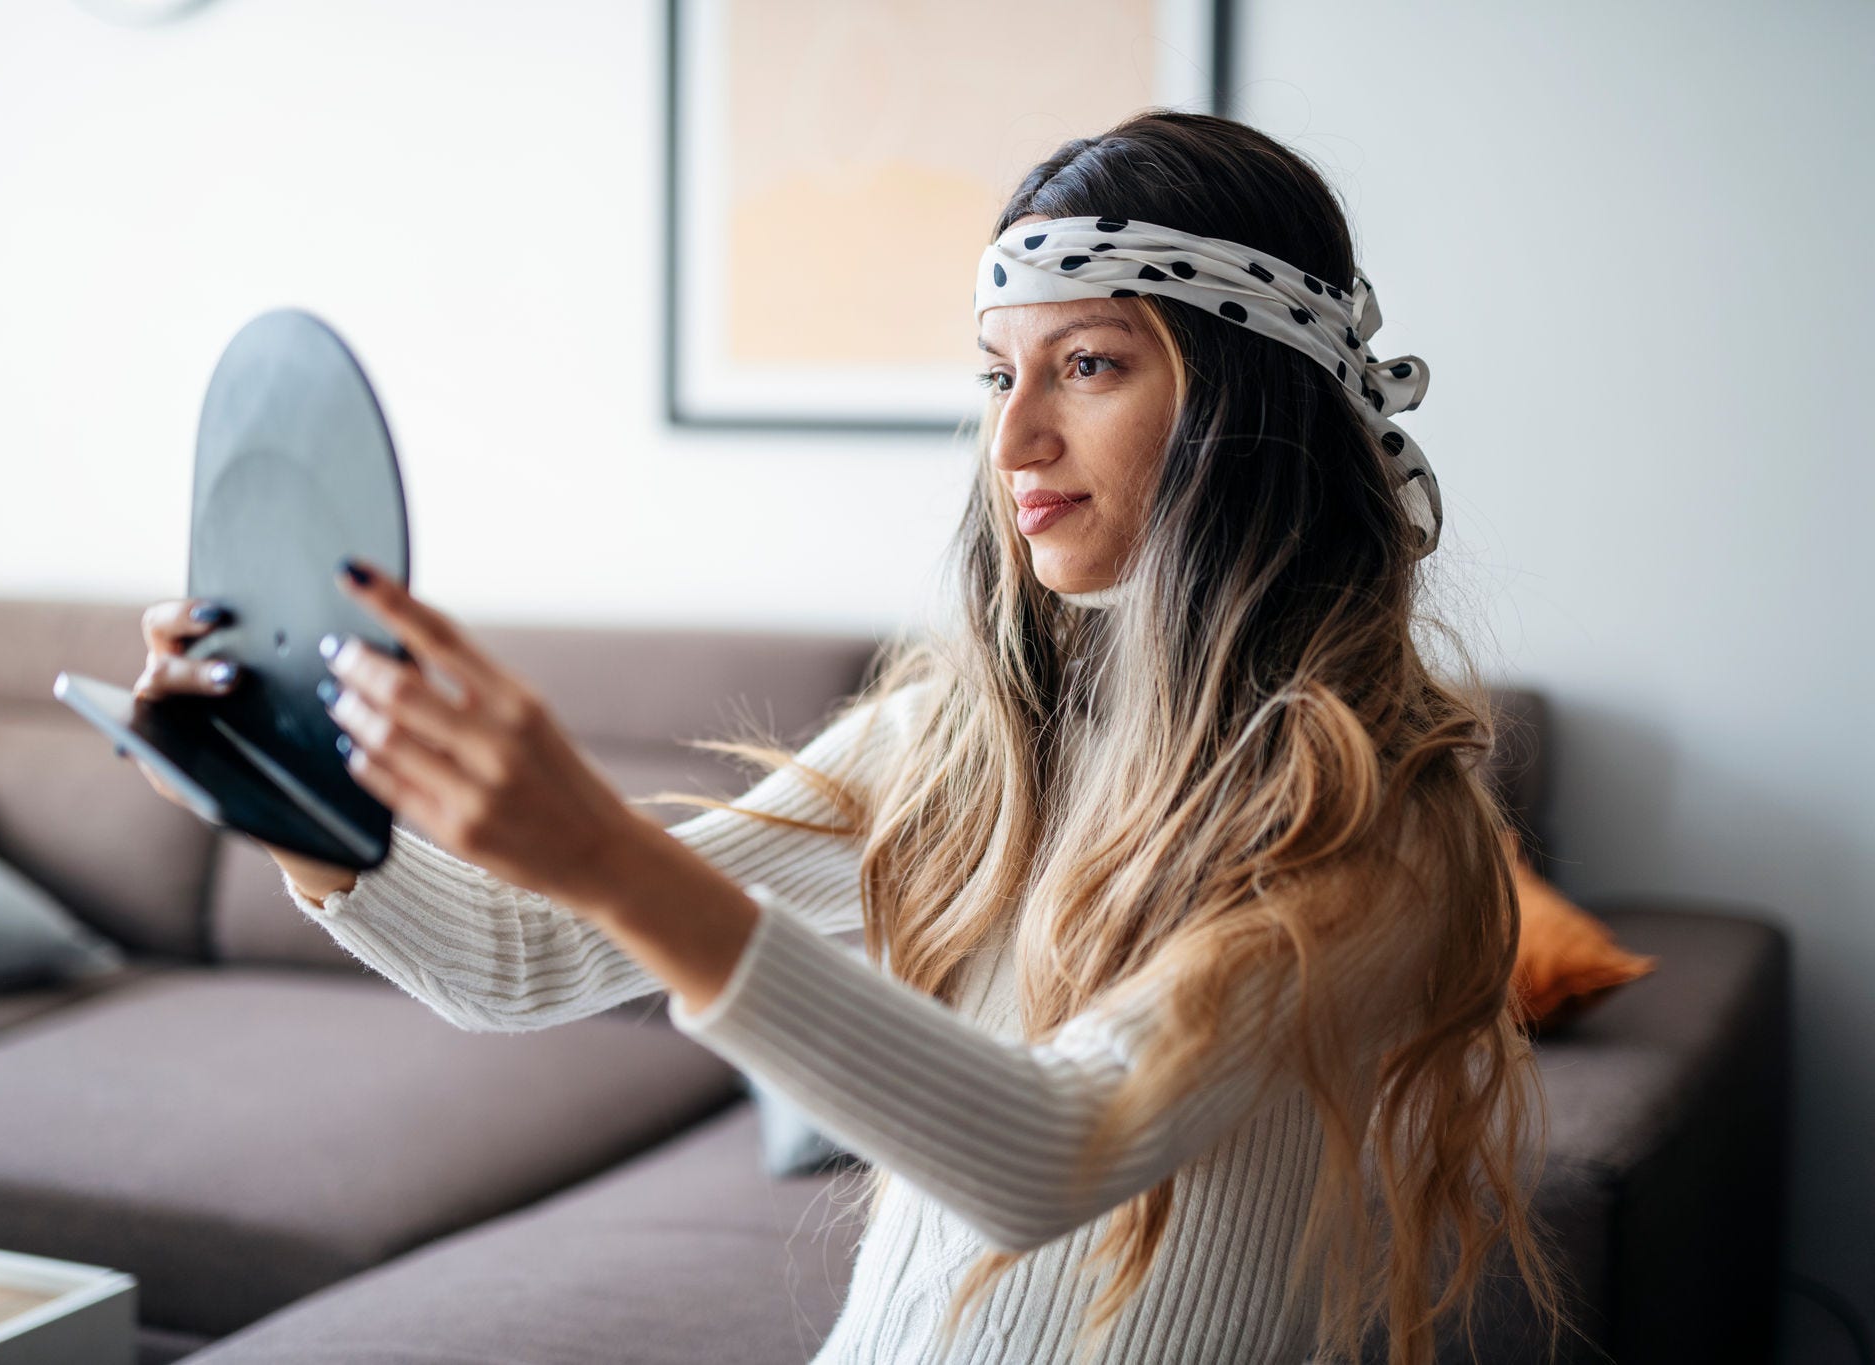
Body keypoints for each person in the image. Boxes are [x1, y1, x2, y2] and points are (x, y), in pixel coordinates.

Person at [130, 109, 1580, 1365]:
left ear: (1248, 400)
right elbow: (519, 958)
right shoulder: (960, 742)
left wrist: (606, 850)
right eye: (995, 374)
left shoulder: (1381, 827)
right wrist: (294, 812)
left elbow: (1052, 1146)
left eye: (1086, 366)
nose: (1013, 442)